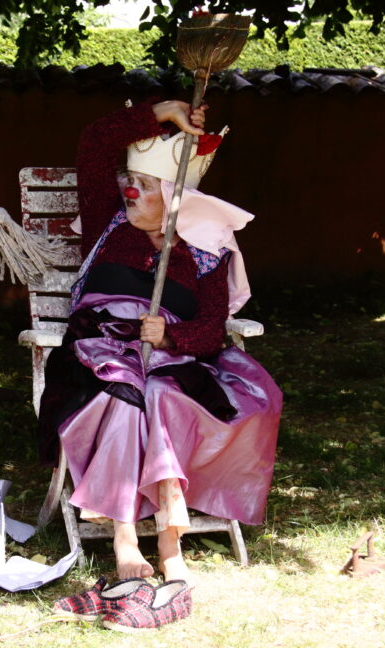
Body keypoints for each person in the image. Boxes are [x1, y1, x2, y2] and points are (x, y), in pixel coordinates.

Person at [39, 100, 282, 594]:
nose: (131, 189)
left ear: (174, 197)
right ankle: (126, 537)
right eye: (132, 179)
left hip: (172, 360)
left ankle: (170, 540)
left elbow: (213, 327)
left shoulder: (204, 255)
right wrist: (163, 113)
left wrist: (171, 336)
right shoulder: (108, 222)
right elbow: (94, 142)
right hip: (98, 355)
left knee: (161, 395)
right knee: (126, 392)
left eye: (146, 185)